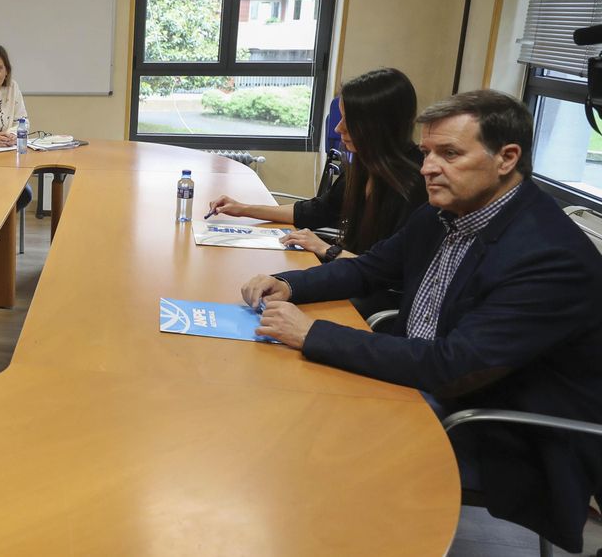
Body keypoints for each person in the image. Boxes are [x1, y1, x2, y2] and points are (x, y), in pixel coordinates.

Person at [240, 90, 602, 553]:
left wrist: (312, 333)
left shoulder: (547, 255)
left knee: (308, 445)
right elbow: (369, 269)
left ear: (507, 158)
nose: (428, 167)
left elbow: (453, 368)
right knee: (279, 406)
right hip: (424, 385)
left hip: (500, 431)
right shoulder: (445, 211)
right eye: (428, 152)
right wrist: (288, 284)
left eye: (449, 153)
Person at [209, 68, 424, 263]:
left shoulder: (414, 186)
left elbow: (389, 271)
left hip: (368, 285)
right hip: (350, 271)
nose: (338, 128)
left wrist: (326, 249)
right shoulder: (366, 166)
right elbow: (317, 211)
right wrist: (243, 209)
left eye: (348, 121)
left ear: (379, 126)